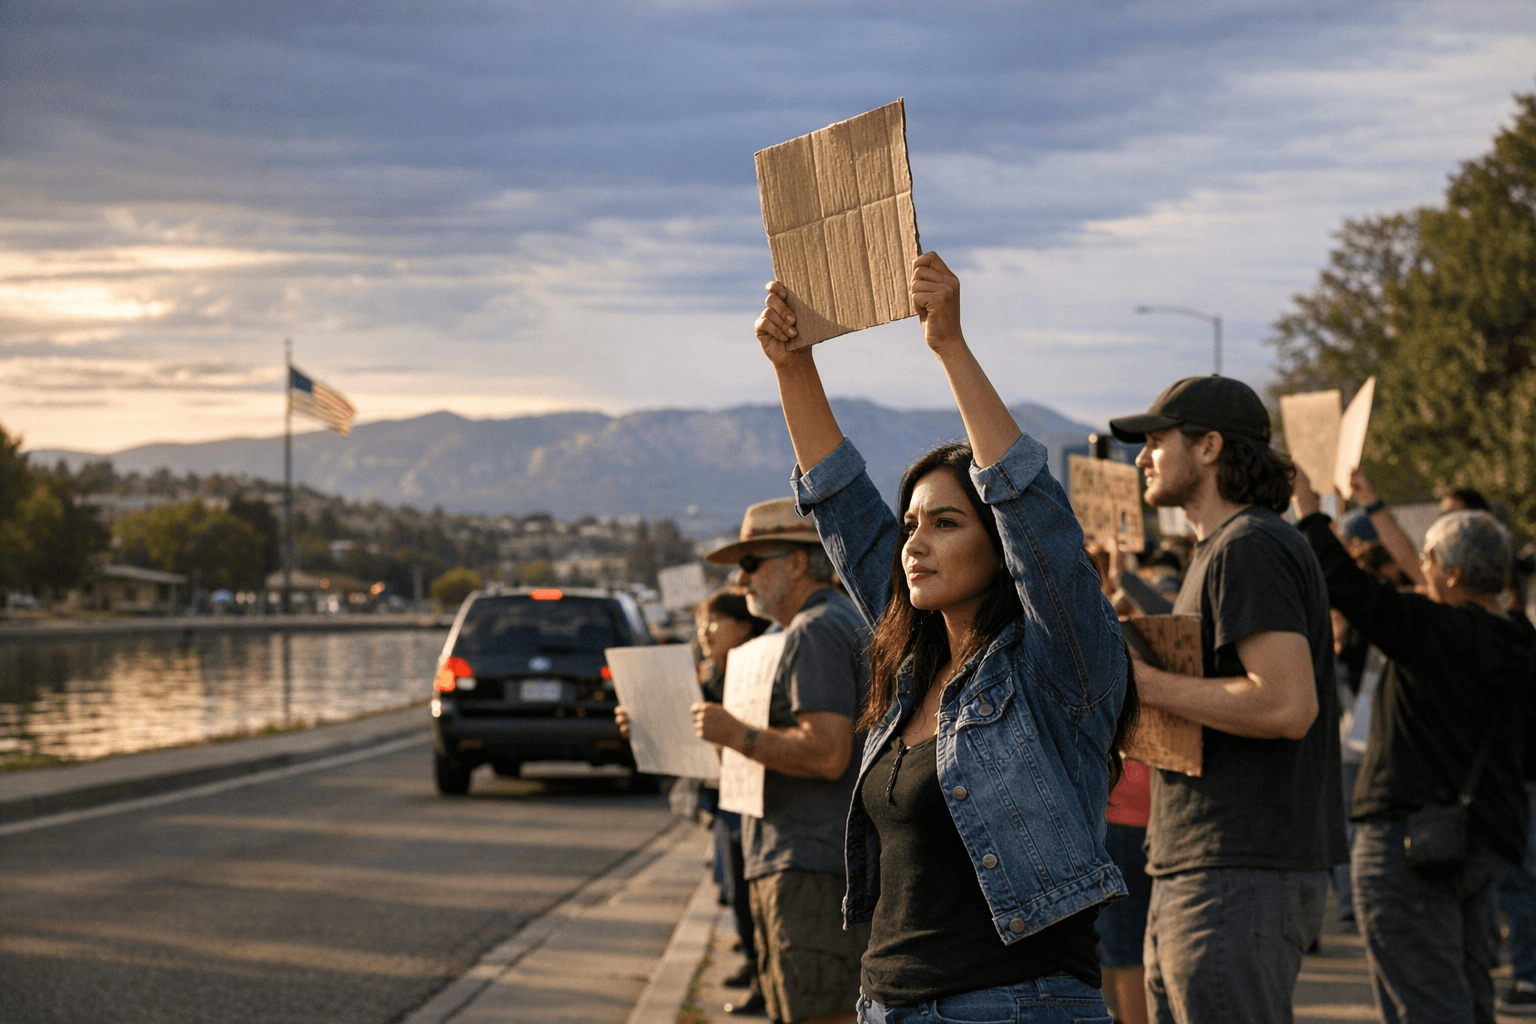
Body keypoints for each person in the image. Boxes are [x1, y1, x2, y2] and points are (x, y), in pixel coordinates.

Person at [755, 251, 1134, 1024]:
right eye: (912, 526)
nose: (915, 543)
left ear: (1000, 549)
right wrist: (793, 366)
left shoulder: (1057, 671)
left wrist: (950, 347)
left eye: (947, 523)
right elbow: (839, 506)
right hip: (888, 1004)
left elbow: (1035, 517)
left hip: (1014, 1005)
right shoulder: (910, 674)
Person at [1109, 376, 1347, 1024]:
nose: (1141, 458)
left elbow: (1286, 705)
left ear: (1209, 447)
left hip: (1235, 870)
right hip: (1209, 867)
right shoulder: (1226, 547)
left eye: (1156, 442)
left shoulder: (1250, 545)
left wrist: (1149, 686)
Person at [1293, 470, 1536, 1024]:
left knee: (1427, 1004)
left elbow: (1343, 581)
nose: (1417, 570)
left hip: (1410, 843)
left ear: (1450, 575)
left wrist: (1309, 511)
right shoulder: (1519, 640)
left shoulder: (1431, 630)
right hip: (1481, 842)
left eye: (1427, 563)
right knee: (1471, 997)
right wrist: (1370, 499)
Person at [692, 497, 871, 1024]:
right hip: (801, 858)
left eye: (750, 564)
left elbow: (826, 752)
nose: (740, 581)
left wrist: (736, 732)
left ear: (797, 562)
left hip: (813, 864)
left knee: (818, 1011)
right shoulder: (811, 625)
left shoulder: (816, 629)